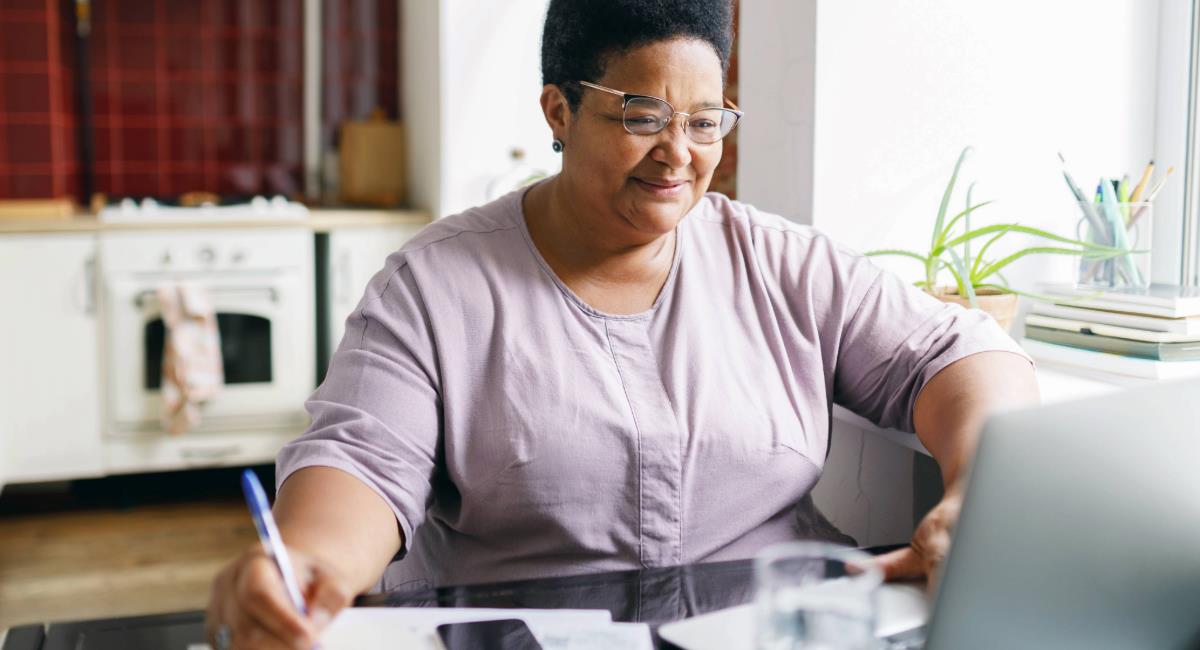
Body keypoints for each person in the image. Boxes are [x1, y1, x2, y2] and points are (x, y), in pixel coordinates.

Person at [206, 0, 1039, 647]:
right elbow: (360, 459)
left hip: (768, 630)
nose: (679, 152)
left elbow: (956, 353)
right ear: (558, 111)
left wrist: (974, 490)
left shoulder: (780, 261)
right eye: (642, 116)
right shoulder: (435, 284)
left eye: (705, 120)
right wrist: (308, 568)